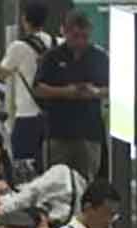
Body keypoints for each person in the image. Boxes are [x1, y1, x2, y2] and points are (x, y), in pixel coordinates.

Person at [33, 10, 109, 181]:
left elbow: (112, 88)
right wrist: (66, 92)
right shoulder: (51, 57)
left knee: (87, 181)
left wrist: (94, 92)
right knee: (55, 183)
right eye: (75, 36)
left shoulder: (99, 57)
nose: (80, 41)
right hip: (58, 132)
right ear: (65, 32)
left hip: (89, 133)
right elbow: (38, 88)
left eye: (84, 36)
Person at [0, 2, 55, 165]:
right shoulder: (56, 43)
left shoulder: (18, 46)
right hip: (52, 117)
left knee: (24, 167)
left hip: (27, 116)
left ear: (25, 20)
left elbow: (1, 73)